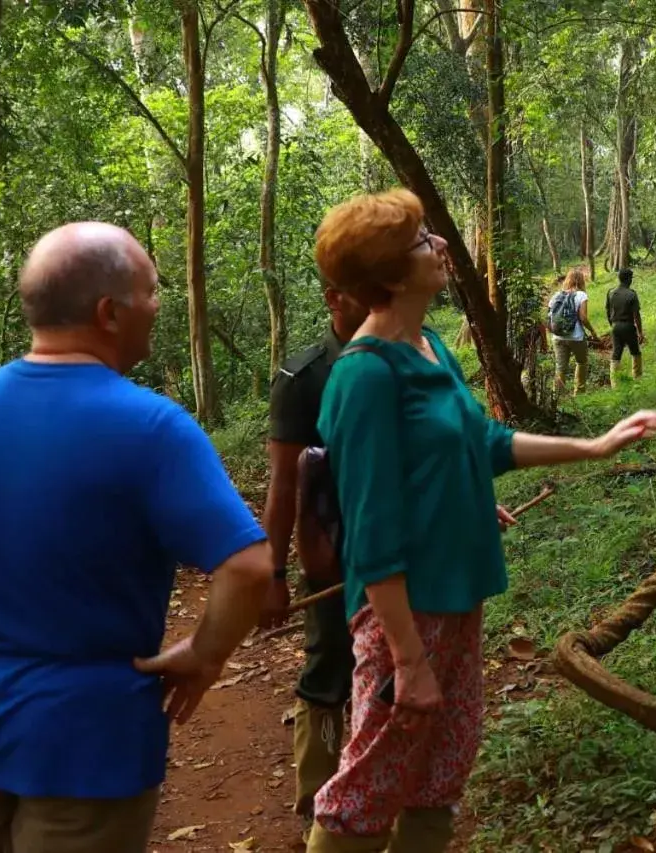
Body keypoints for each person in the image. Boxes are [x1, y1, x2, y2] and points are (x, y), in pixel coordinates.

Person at [305, 189, 656, 853]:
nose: (439, 245)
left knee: (440, 768)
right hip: (404, 616)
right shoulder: (365, 377)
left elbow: (484, 445)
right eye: (420, 242)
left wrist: (595, 445)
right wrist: (407, 658)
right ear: (387, 274)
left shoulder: (430, 346)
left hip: (458, 594)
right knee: (370, 777)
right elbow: (373, 529)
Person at [0, 222, 272, 853]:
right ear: (109, 312)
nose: (158, 304)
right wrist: (203, 655)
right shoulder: (150, 426)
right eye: (152, 290)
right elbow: (249, 566)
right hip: (88, 745)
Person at [261, 277, 368, 823]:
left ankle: (379, 796)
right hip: (333, 557)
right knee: (329, 669)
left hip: (408, 552)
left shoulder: (412, 358)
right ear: (335, 295)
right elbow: (283, 485)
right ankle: (318, 800)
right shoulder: (302, 378)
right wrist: (273, 572)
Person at [546, 266, 599, 395]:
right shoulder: (581, 295)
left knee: (560, 368)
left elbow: (549, 315)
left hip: (558, 337)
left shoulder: (557, 295)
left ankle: (558, 396)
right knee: (581, 362)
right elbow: (583, 318)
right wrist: (592, 332)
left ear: (567, 280)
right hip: (576, 337)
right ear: (581, 281)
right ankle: (579, 392)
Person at [605, 267, 645, 388]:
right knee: (635, 352)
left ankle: (615, 384)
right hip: (628, 326)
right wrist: (640, 332)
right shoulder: (631, 294)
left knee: (616, 353)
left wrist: (612, 324)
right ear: (628, 279)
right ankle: (637, 379)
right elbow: (636, 315)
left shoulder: (610, 292)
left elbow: (607, 310)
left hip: (615, 326)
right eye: (631, 278)